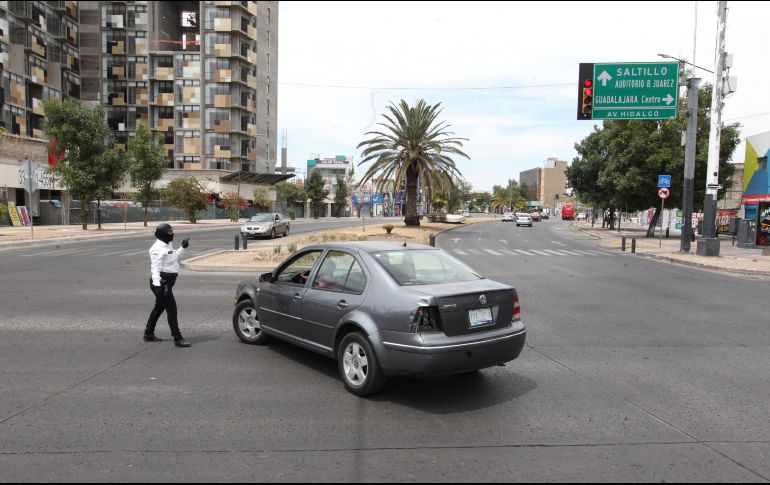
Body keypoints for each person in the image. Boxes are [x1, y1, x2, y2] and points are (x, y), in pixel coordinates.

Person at [144, 223, 192, 347]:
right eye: (170, 232)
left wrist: (183, 248)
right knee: (172, 309)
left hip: (168, 282)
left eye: (172, 231)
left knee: (159, 308)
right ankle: (178, 338)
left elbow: (174, 257)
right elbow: (155, 268)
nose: (172, 233)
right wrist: (157, 286)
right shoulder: (157, 248)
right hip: (162, 283)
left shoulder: (167, 244)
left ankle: (148, 333)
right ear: (162, 234)